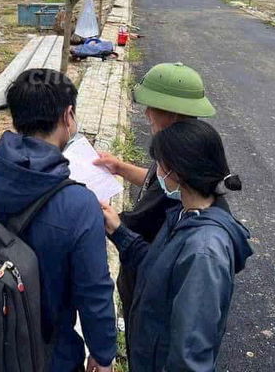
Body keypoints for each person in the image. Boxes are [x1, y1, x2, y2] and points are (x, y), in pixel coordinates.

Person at [0, 68, 116, 372]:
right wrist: (103, 353)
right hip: (49, 355)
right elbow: (94, 291)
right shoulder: (79, 204)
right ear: (68, 116)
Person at [101, 120, 252, 371]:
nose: (157, 174)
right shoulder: (184, 214)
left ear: (177, 174)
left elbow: (191, 355)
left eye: (160, 166)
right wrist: (118, 231)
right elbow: (156, 269)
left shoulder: (204, 253)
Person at [94, 62, 221, 325]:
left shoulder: (190, 221)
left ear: (171, 114)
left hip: (150, 288)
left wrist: (115, 226)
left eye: (152, 107)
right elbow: (157, 178)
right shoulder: (184, 158)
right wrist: (119, 167)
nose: (147, 114)